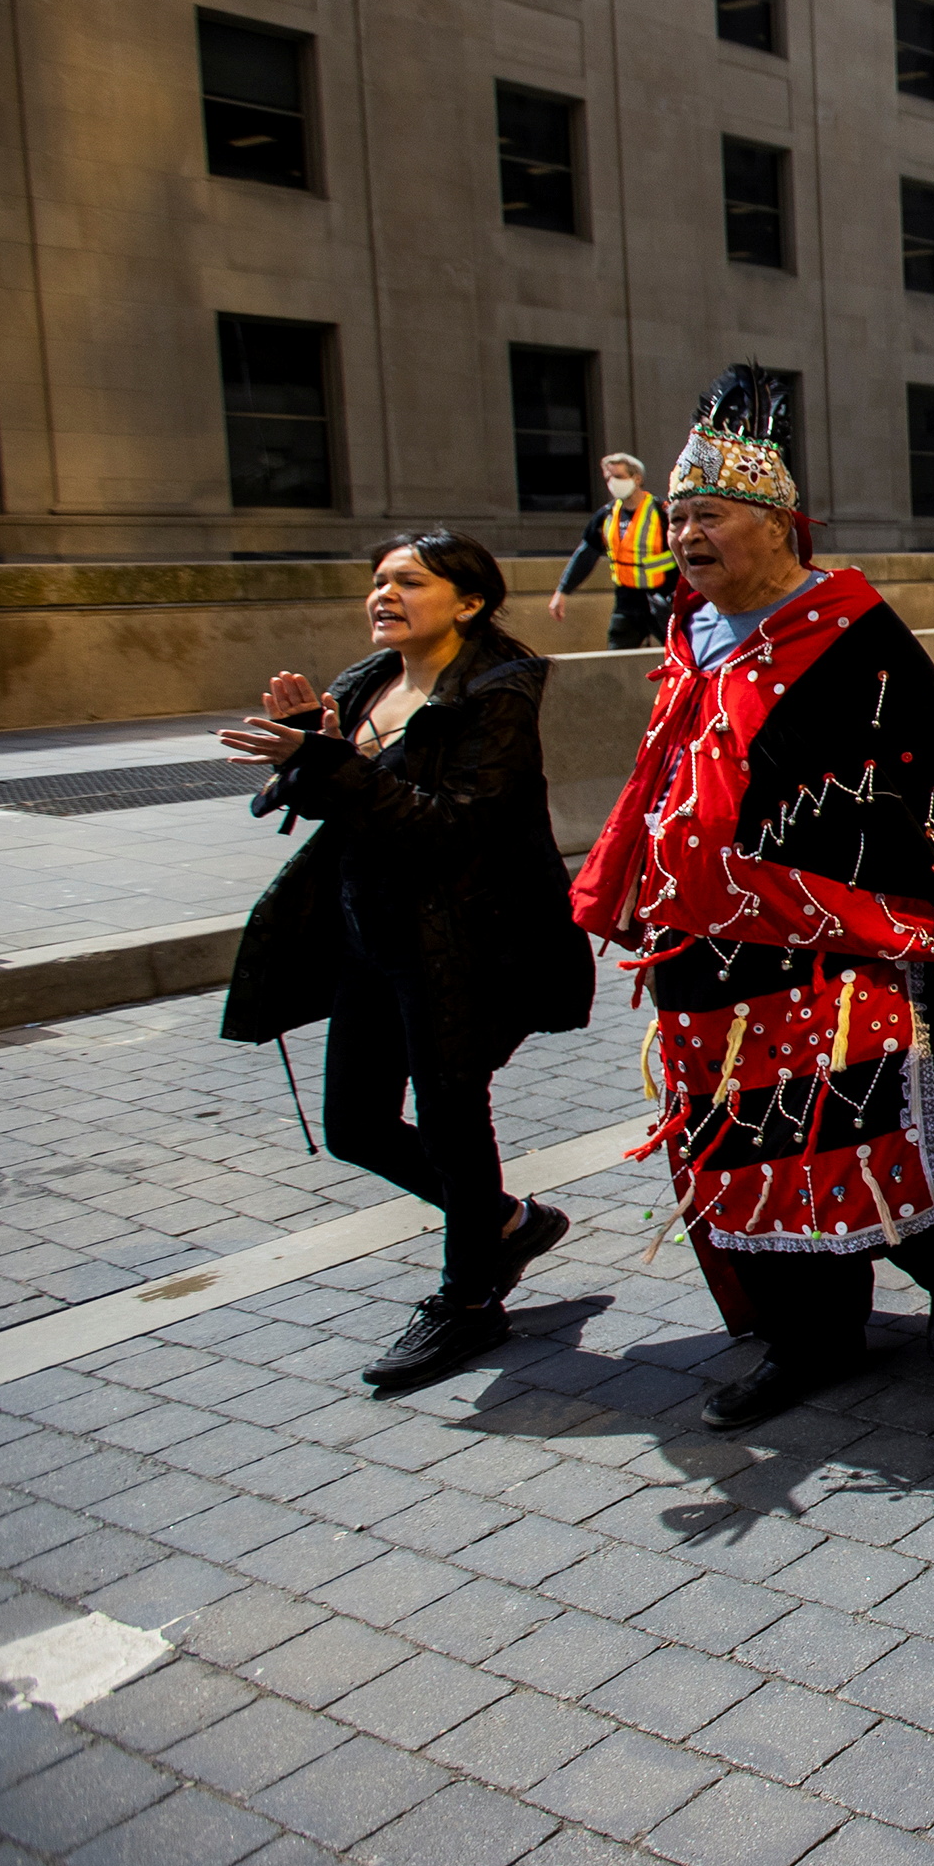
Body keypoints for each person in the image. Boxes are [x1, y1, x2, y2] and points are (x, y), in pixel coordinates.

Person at [570, 368, 934, 1429]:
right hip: (705, 958)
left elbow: (932, 796)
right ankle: (810, 1337)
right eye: (678, 515)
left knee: (875, 1136)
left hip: (844, 956)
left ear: (780, 524)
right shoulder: (687, 631)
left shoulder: (854, 640)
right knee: (744, 1148)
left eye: (708, 515)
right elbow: (666, 772)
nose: (686, 535)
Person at [219, 533, 594, 1392]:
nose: (383, 595)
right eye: (379, 580)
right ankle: (504, 1222)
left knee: (456, 1118)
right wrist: (299, 751)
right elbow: (321, 797)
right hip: (369, 934)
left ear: (467, 602)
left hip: (463, 942)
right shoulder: (365, 682)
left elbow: (448, 827)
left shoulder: (497, 693)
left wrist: (328, 763)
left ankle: (467, 1300)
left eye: (408, 582)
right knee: (354, 1124)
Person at [545, 454, 673, 650]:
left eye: (618, 476)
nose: (612, 482)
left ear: (637, 478)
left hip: (663, 601)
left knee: (681, 657)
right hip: (626, 603)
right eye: (608, 478)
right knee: (617, 656)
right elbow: (585, 555)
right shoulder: (606, 515)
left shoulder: (661, 512)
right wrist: (562, 591)